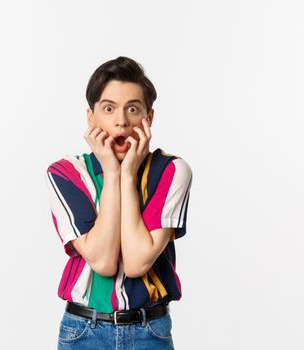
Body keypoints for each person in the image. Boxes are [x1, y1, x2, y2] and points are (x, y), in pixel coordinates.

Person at [45, 56, 193, 349]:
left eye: (133, 109)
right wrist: (112, 173)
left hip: (150, 332)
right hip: (83, 332)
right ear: (91, 117)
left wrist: (127, 177)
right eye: (109, 108)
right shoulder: (66, 173)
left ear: (149, 118)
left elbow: (138, 262)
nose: (121, 120)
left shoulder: (172, 171)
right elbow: (103, 261)